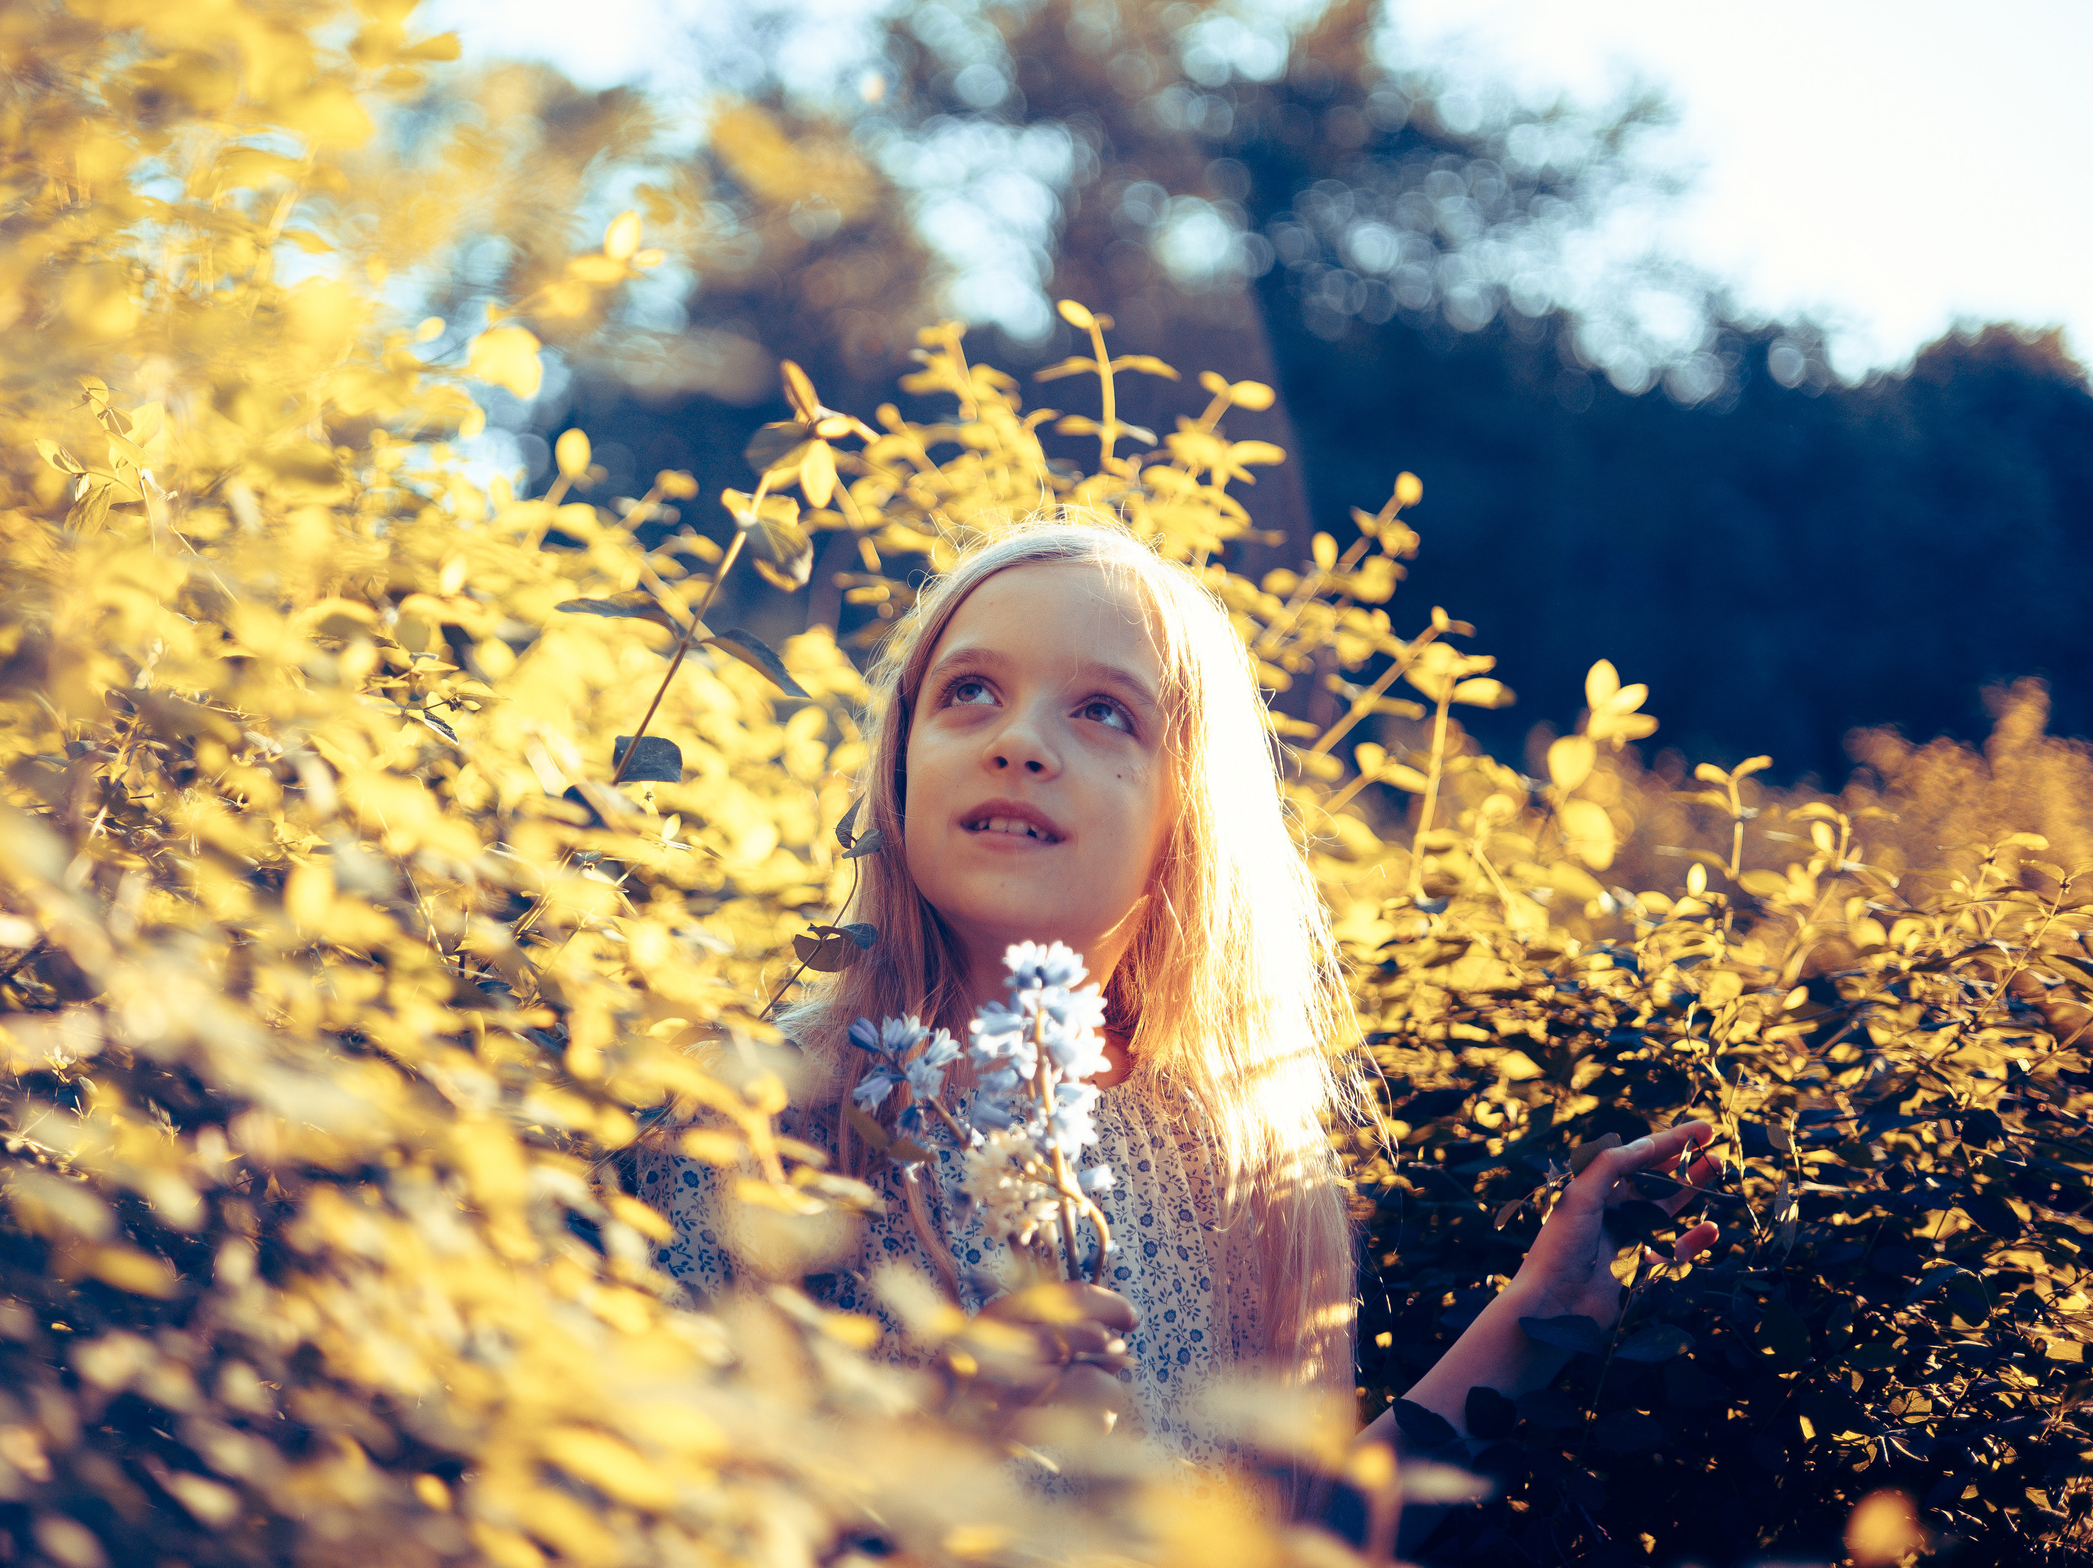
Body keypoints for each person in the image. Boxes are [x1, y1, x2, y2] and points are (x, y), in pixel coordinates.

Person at [632, 515, 1719, 1505]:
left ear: (1186, 816)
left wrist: (1536, 1319)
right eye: (968, 691)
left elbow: (1299, 1534)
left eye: (1103, 712)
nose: (1017, 742)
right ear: (900, 763)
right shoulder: (762, 1119)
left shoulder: (1226, 1152)